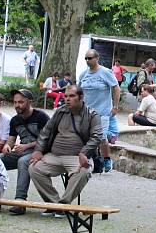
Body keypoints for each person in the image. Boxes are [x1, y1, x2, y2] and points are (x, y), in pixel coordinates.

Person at [28, 86, 102, 215]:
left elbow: (97, 137)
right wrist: (38, 150)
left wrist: (84, 152)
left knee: (85, 171)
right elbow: (46, 132)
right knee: (34, 168)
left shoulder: (92, 115)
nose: (67, 99)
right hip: (54, 155)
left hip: (76, 157)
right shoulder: (60, 112)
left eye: (72, 96)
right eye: (66, 96)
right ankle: (54, 204)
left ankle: (63, 204)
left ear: (81, 98)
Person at [1, 89, 51, 215]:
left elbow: (47, 139)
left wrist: (27, 145)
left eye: (21, 102)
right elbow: (11, 140)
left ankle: (20, 201)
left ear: (29, 102)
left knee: (23, 162)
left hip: (40, 152)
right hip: (23, 150)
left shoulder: (41, 117)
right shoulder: (15, 120)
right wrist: (7, 146)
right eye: (15, 102)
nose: (17, 105)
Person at [77, 49, 120, 172]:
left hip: (102, 112)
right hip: (86, 112)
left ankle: (106, 159)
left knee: (101, 138)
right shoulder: (83, 74)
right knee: (85, 137)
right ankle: (92, 160)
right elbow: (79, 92)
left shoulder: (105, 72)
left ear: (97, 58)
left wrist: (115, 106)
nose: (87, 61)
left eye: (90, 58)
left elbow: (115, 88)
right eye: (86, 58)